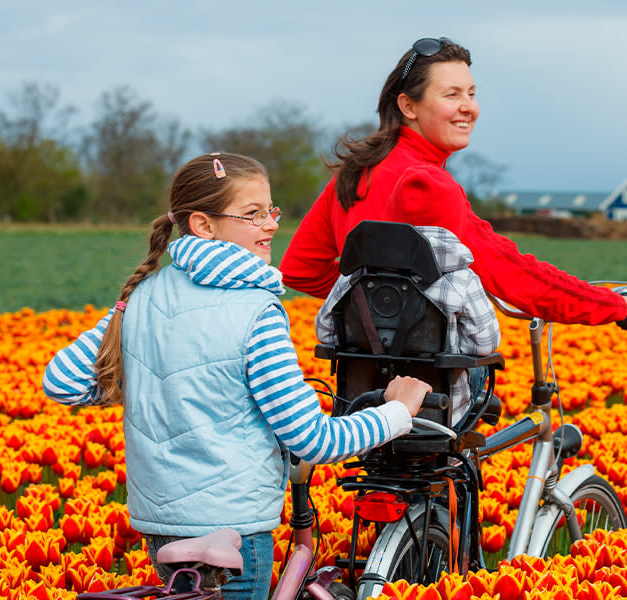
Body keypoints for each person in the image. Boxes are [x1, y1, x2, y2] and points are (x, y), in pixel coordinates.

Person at [42, 152, 431, 600]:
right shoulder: (256, 311)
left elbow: (63, 381)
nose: (270, 225)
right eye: (252, 214)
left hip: (161, 529)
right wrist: (396, 412)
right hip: (234, 530)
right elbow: (312, 440)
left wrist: (144, 348)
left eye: (271, 211)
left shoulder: (144, 295)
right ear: (203, 225)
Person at [280, 36, 627, 330]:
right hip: (428, 381)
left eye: (471, 93)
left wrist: (371, 312)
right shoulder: (427, 183)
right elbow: (508, 272)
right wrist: (611, 305)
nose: (469, 107)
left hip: (359, 372)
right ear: (409, 106)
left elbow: (301, 269)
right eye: (452, 94)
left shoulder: (356, 171)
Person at [316, 225, 500, 421]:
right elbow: (485, 344)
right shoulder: (462, 279)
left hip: (362, 409)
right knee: (478, 368)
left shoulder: (353, 276)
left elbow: (325, 332)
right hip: (438, 411)